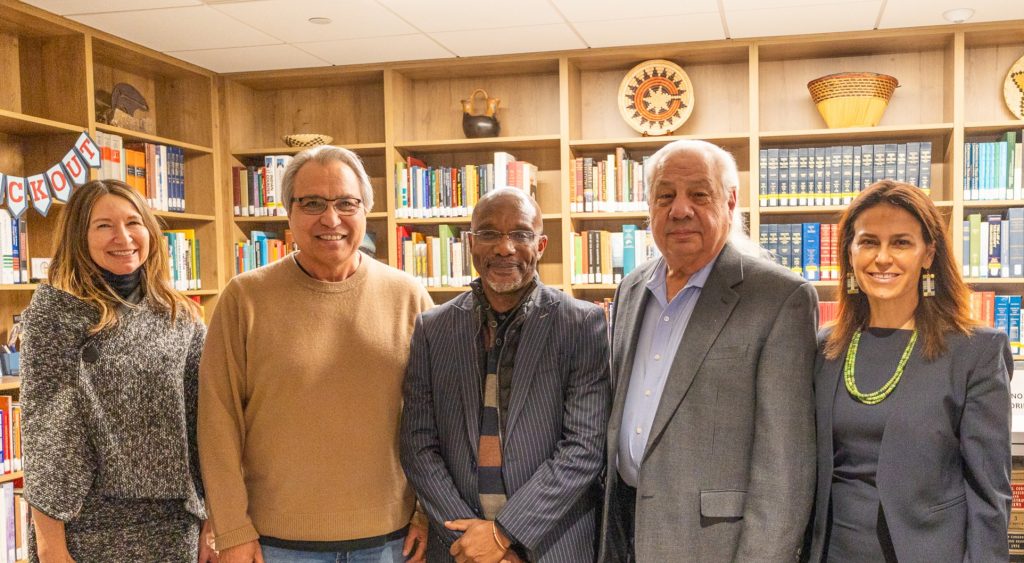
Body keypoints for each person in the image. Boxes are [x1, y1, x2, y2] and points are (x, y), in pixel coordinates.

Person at [199, 145, 432, 563]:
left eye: (346, 203)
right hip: (274, 543)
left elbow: (437, 417)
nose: (331, 218)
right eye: (312, 204)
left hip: (390, 541)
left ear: (366, 211)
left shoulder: (408, 296)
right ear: (288, 212)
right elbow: (218, 421)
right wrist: (232, 529)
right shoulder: (244, 297)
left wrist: (425, 513)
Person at [598, 139, 818, 562]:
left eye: (699, 194)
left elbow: (786, 471)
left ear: (730, 202)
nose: (680, 210)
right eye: (665, 196)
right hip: (626, 533)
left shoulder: (779, 298)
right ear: (649, 207)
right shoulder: (631, 289)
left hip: (714, 546)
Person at [400, 187, 610, 562]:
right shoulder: (433, 329)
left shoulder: (581, 324)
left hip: (551, 545)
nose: (504, 247)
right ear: (469, 243)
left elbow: (584, 447)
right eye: (489, 233)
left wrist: (503, 534)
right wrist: (470, 541)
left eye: (520, 234)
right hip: (459, 548)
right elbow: (418, 446)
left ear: (541, 244)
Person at [807, 180, 1012, 562]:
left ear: (928, 253)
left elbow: (989, 494)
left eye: (901, 243)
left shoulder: (975, 351)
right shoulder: (823, 347)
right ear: (850, 252)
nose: (882, 258)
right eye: (868, 242)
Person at [20, 179, 215, 562]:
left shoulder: (181, 317)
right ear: (80, 236)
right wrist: (49, 544)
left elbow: (204, 422)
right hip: (85, 523)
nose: (122, 237)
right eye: (103, 225)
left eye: (133, 222)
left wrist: (211, 519)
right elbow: (44, 432)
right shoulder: (55, 313)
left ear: (149, 230)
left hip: (173, 523)